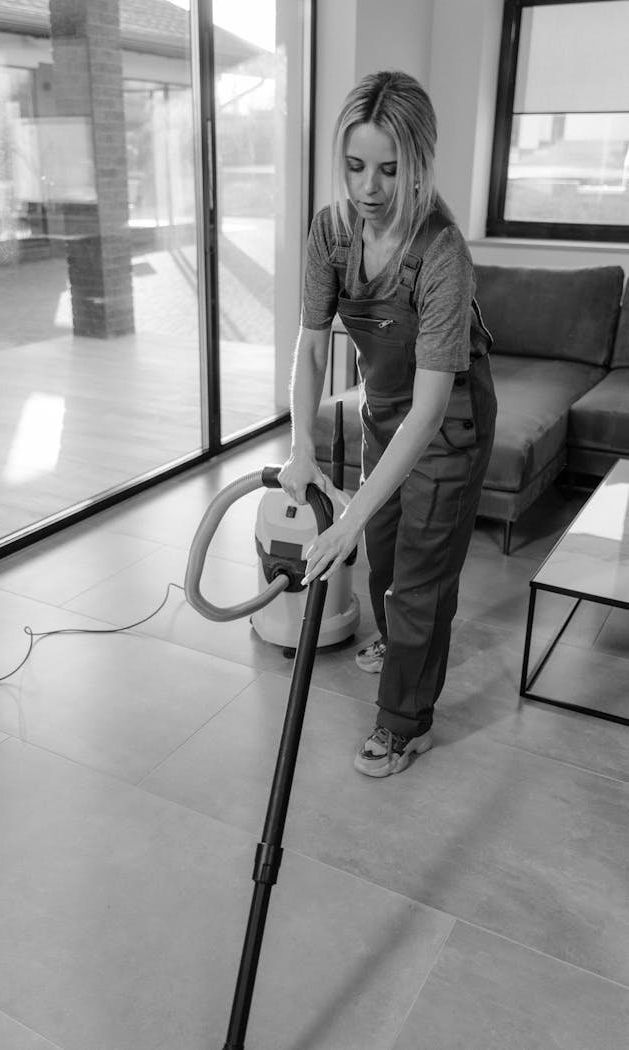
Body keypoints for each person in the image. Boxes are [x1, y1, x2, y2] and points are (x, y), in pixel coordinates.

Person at [279, 70, 497, 778]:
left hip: (449, 419)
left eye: (389, 170)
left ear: (418, 165)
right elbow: (312, 347)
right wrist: (301, 448)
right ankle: (400, 640)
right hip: (383, 409)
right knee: (381, 544)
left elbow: (429, 410)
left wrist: (344, 518)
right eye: (354, 166)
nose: (368, 188)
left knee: (421, 575)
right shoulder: (331, 231)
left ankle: (405, 723)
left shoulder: (441, 254)